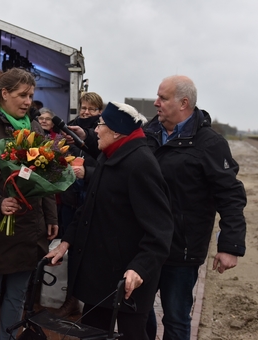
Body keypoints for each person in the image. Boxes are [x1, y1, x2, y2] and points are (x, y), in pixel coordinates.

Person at [47, 101, 174, 339]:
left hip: (127, 281)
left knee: (132, 333)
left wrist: (139, 268)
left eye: (101, 124)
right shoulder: (111, 154)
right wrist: (66, 243)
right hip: (101, 275)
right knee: (92, 332)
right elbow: (88, 209)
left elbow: (161, 229)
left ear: (116, 131)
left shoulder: (141, 164)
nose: (96, 129)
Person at [143, 75, 247, 340]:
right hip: (144, 244)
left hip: (182, 249)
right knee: (138, 312)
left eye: (163, 98)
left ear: (183, 103)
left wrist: (229, 246)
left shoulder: (210, 144)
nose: (156, 103)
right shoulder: (147, 134)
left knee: (176, 319)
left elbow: (231, 195)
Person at [0, 68, 59, 340]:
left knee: (17, 294)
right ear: (4, 94)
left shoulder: (35, 128)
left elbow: (48, 177)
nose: (28, 101)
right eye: (22, 95)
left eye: (31, 95)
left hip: (29, 227)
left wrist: (52, 217)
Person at [54, 92, 103, 317]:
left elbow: (105, 167)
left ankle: (91, 301)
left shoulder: (102, 133)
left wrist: (87, 172)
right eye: (84, 107)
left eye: (91, 109)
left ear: (99, 112)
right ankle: (70, 298)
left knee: (89, 252)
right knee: (69, 248)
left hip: (90, 197)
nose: (86, 112)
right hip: (70, 198)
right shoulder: (70, 128)